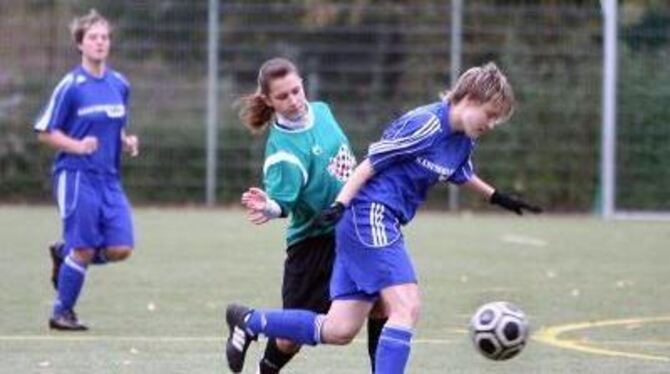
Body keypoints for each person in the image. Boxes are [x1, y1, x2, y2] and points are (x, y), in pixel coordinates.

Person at [225, 62, 542, 373]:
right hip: (370, 215)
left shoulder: (464, 138)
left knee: (340, 328)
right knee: (406, 306)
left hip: (376, 222)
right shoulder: (427, 124)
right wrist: (339, 205)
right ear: (470, 99)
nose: (491, 124)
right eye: (489, 115)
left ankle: (251, 321)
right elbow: (370, 163)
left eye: (496, 120)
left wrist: (497, 197)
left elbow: (459, 171)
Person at [233, 57, 387, 374]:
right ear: (268, 100)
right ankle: (261, 355)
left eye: (296, 90)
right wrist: (268, 207)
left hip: (353, 227)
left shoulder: (322, 110)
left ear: (303, 83)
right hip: (313, 243)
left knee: (383, 302)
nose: (294, 101)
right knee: (291, 338)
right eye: (283, 96)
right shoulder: (283, 153)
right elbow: (282, 203)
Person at [33, 9, 139, 331]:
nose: (100, 43)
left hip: (109, 178)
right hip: (76, 175)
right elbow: (45, 130)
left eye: (104, 37)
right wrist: (78, 146)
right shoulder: (71, 85)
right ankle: (61, 312)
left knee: (121, 248)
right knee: (84, 248)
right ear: (80, 44)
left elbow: (114, 128)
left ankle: (66, 255)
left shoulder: (119, 84)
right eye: (93, 37)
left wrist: (126, 142)